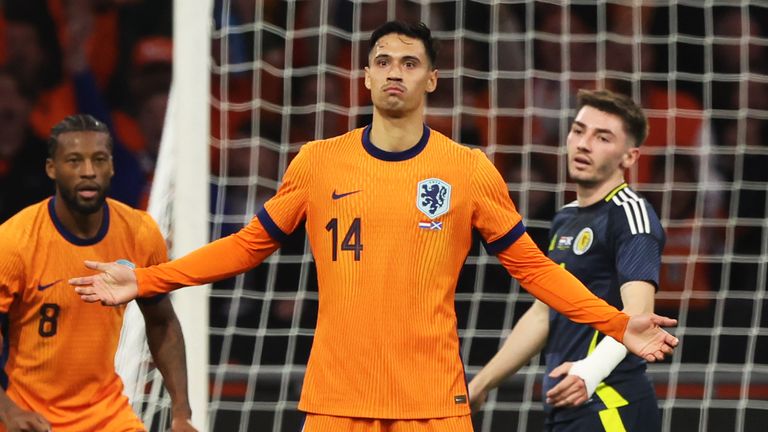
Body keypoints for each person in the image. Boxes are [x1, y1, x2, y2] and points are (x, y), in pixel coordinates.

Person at [70, 22, 677, 432]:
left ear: (431, 80)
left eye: (410, 63)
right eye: (382, 61)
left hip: (434, 404)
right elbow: (247, 247)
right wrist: (147, 280)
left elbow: (538, 272)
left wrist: (620, 323)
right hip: (337, 401)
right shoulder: (318, 161)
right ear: (363, 76)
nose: (395, 72)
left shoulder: (468, 170)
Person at [468, 89, 665, 431]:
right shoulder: (566, 218)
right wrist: (481, 384)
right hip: (569, 405)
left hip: (610, 402)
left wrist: (589, 372)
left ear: (629, 157)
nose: (584, 144)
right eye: (578, 130)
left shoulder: (631, 215)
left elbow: (639, 313)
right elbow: (544, 313)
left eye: (602, 137)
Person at [0, 114, 196, 431]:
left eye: (99, 159)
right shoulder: (14, 242)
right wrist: (8, 411)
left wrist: (181, 414)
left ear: (112, 167)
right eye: (74, 161)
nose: (88, 171)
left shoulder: (140, 233)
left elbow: (162, 321)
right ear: (52, 168)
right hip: (30, 418)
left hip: (108, 416)